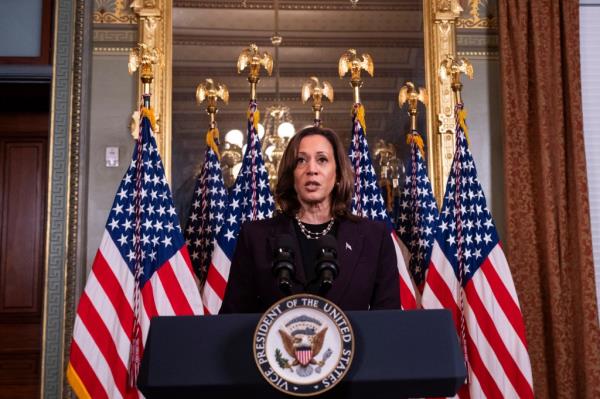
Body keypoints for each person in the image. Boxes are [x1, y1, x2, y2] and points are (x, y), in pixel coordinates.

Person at [219, 126, 400, 313]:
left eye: (322, 160)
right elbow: (232, 321)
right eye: (301, 160)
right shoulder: (255, 237)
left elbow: (388, 325)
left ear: (337, 174)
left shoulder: (375, 237)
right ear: (291, 175)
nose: (311, 169)